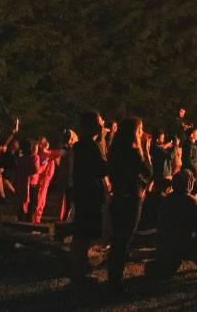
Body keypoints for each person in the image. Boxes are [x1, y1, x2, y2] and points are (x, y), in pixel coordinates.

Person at [107, 117, 152, 295]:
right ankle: (116, 283)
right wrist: (145, 150)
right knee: (124, 240)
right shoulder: (134, 152)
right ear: (134, 132)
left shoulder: (115, 151)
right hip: (132, 199)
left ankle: (113, 278)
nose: (142, 134)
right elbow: (148, 172)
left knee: (118, 239)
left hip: (118, 197)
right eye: (140, 130)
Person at [70, 112, 109, 287]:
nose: (103, 127)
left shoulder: (81, 146)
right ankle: (80, 272)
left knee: (82, 233)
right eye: (100, 124)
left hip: (83, 194)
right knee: (85, 234)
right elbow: (102, 168)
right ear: (92, 126)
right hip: (90, 194)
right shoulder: (90, 146)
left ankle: (79, 269)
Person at [151, 169, 197, 278]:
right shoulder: (192, 201)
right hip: (181, 244)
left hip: (164, 241)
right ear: (189, 183)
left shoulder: (167, 199)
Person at [15, 139, 47, 222]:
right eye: (36, 148)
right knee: (33, 203)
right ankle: (29, 220)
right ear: (32, 148)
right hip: (32, 183)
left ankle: (21, 218)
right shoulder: (35, 157)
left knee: (22, 201)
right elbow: (36, 170)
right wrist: (43, 166)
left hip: (22, 182)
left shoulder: (21, 158)